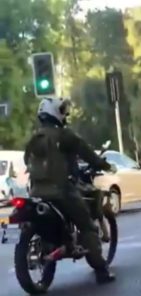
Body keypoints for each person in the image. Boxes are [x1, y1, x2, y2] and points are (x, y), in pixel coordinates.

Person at [23, 97, 116, 284]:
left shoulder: (34, 138)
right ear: (56, 113)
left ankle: (60, 243)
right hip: (61, 192)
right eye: (63, 111)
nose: (65, 115)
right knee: (88, 226)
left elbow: (27, 161)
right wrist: (105, 165)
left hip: (36, 193)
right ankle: (101, 271)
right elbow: (87, 153)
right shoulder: (64, 135)